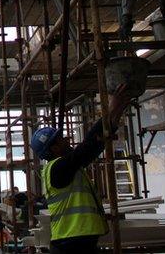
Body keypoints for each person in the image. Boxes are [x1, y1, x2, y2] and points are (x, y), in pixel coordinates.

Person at [30, 85, 133, 254]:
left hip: (74, 240)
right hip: (70, 242)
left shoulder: (63, 167)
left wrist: (116, 112)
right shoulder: (58, 168)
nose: (67, 139)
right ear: (54, 149)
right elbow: (86, 149)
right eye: (61, 139)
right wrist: (112, 108)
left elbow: (90, 143)